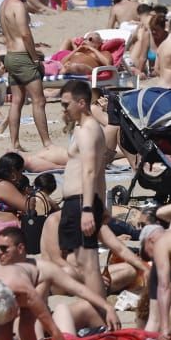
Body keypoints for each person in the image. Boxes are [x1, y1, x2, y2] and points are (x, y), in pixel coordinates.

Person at [57, 78, 111, 302]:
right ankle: (94, 305)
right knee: (76, 260)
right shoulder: (84, 129)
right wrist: (102, 203)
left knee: (87, 263)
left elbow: (90, 171)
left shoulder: (88, 130)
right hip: (81, 201)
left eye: (66, 104)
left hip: (82, 202)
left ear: (81, 103)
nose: (64, 109)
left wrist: (89, 207)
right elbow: (100, 173)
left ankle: (100, 310)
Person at [0, 0, 52, 150]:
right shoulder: (18, 6)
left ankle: (14, 143)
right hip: (22, 56)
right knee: (39, 100)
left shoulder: (3, 5)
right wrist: (35, 59)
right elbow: (25, 34)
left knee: (16, 100)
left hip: (10, 55)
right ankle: (47, 143)